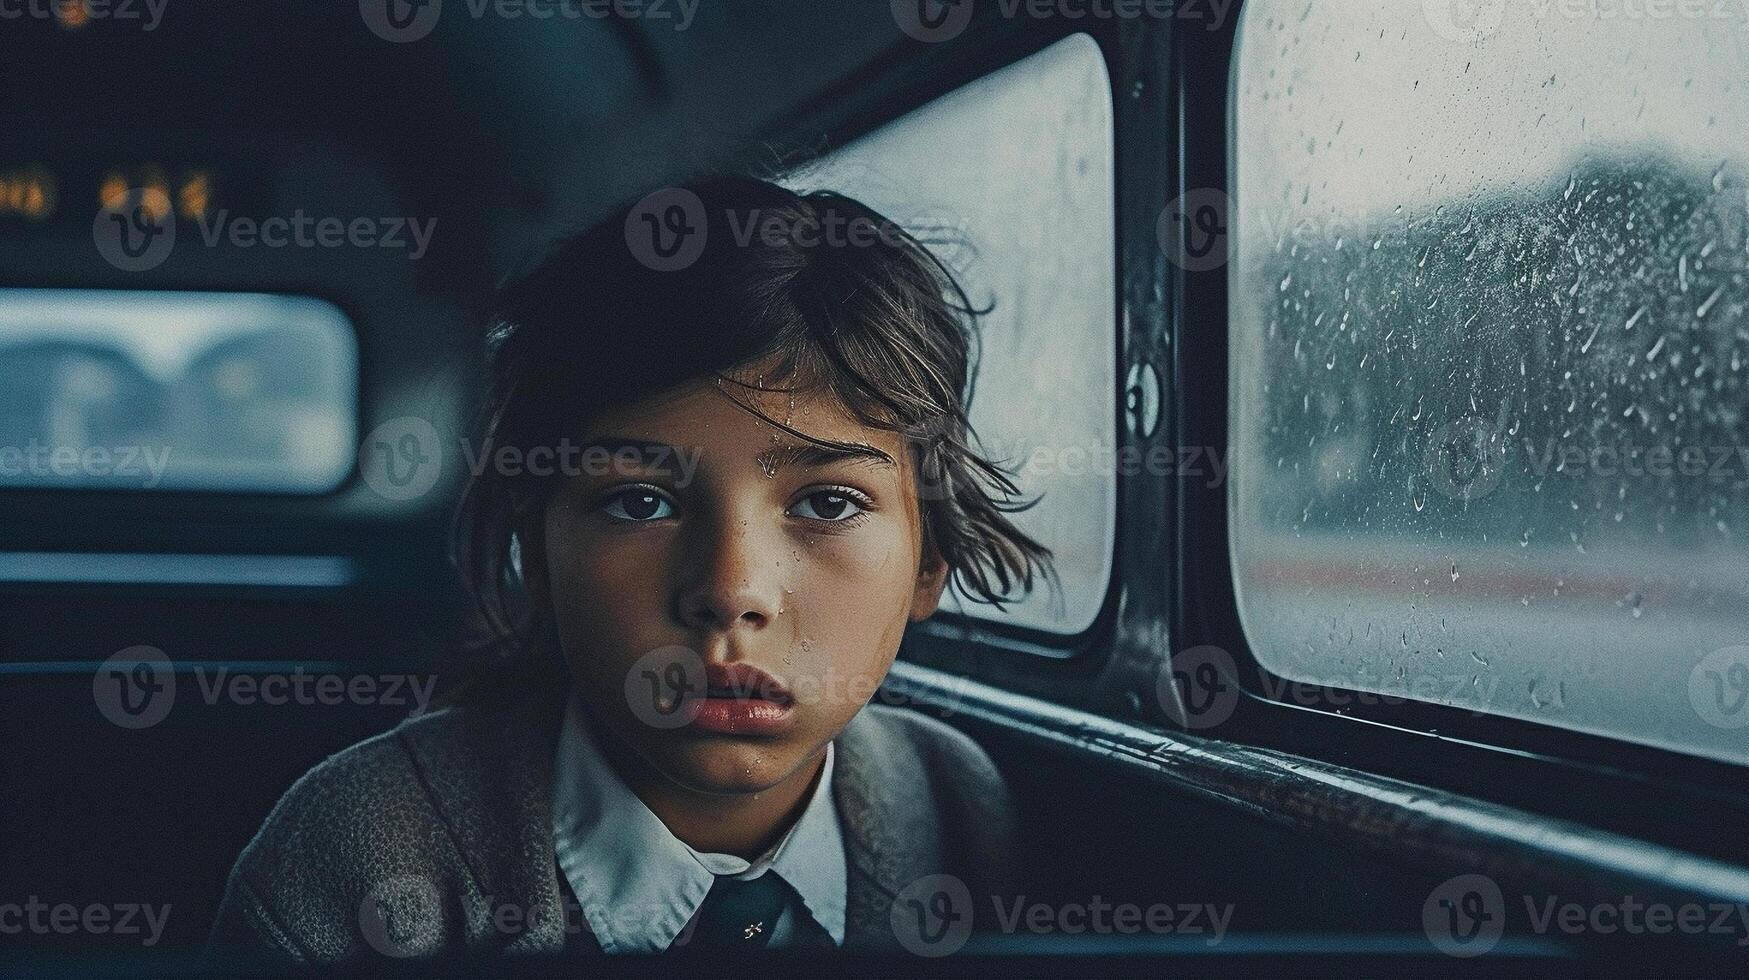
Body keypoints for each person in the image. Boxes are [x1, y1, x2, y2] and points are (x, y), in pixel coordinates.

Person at [207, 175, 1053, 963]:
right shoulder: (359, 855)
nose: (729, 592)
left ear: (928, 560)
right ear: (535, 552)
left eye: (828, 504)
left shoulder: (957, 807)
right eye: (640, 503)